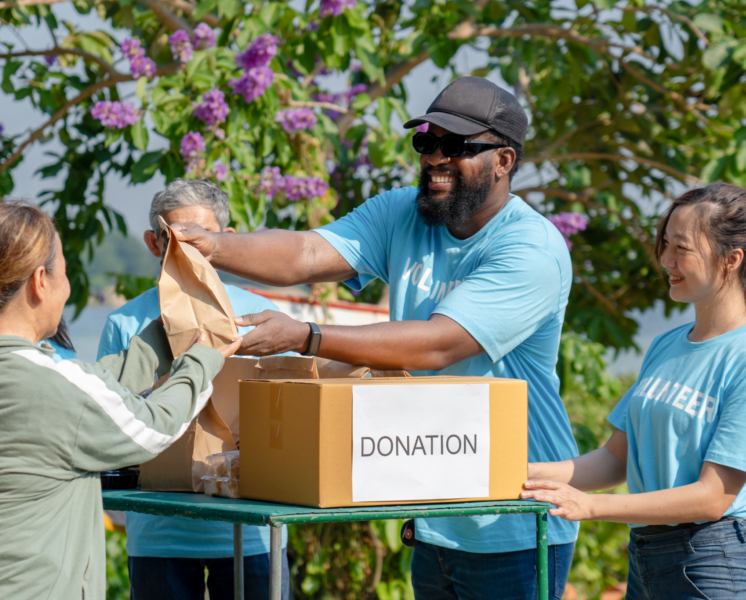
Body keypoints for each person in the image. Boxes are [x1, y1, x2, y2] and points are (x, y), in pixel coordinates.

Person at [171, 76, 579, 599]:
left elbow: (439, 344)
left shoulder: (532, 248)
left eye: (455, 147)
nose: (435, 158)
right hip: (435, 505)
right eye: (426, 143)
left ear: (503, 160)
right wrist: (211, 248)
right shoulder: (402, 213)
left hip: (515, 517)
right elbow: (306, 254)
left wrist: (308, 336)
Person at [0, 200, 238, 600]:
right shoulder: (50, 384)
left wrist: (166, 333)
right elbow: (153, 426)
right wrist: (204, 358)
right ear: (41, 281)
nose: (67, 287)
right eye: (65, 274)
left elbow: (85, 391)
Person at [524, 183, 746, 600]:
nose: (666, 260)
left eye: (681, 248)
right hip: (645, 556)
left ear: (731, 260)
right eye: (665, 244)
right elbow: (615, 459)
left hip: (711, 560)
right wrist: (517, 474)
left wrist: (590, 508)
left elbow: (714, 496)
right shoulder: (667, 344)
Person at [97, 178, 290, 600]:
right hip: (158, 534)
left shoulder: (265, 318)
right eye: (173, 238)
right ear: (153, 242)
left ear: (227, 240)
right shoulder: (126, 323)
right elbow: (107, 423)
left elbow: (289, 417)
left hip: (252, 530)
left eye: (199, 239)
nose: (186, 250)